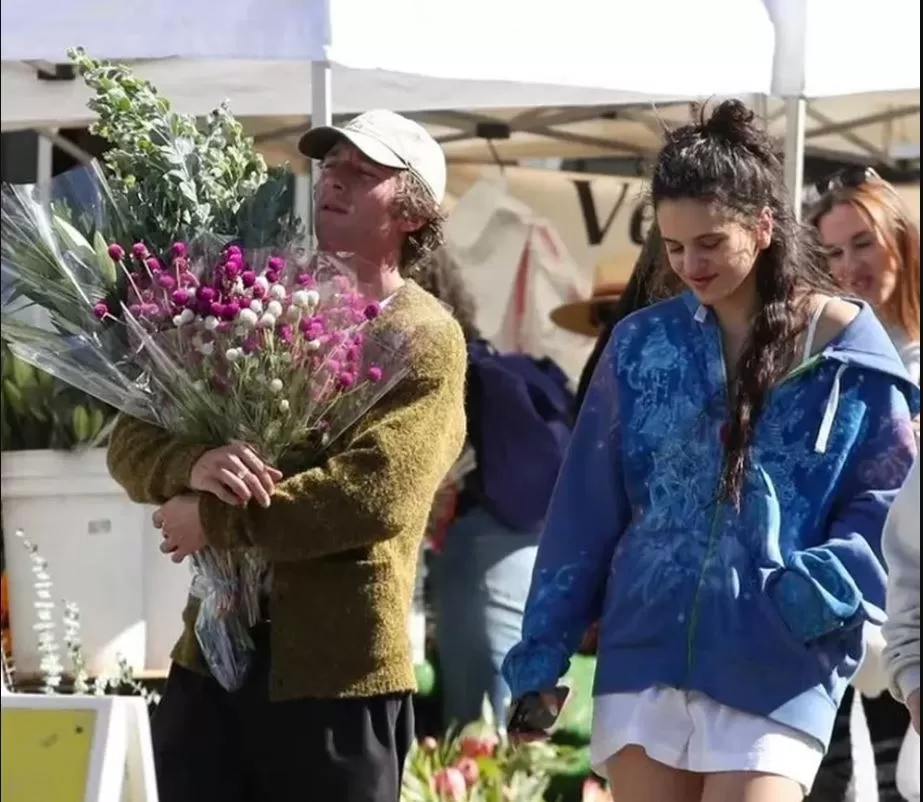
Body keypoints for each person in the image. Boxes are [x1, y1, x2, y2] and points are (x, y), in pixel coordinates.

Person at [501, 100, 920, 802]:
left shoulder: (849, 351)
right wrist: (540, 659)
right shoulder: (640, 345)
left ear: (761, 226)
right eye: (671, 246)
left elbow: (888, 505)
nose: (688, 264)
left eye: (708, 243)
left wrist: (821, 587)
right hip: (644, 652)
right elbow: (584, 511)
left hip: (780, 660)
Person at [105, 110, 467, 802]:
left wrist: (217, 521)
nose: (335, 182)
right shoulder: (256, 302)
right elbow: (128, 441)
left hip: (337, 671)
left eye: (363, 173)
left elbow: (372, 495)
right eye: (331, 168)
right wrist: (194, 461)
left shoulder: (424, 336)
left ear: (414, 212)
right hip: (212, 659)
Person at [419, 251, 575, 726]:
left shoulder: (445, 375)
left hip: (481, 563)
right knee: (510, 732)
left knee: (483, 734)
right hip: (525, 553)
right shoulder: (484, 370)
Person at [808, 169, 921, 802]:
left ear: (900, 243)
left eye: (862, 244)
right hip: (840, 604)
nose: (849, 266)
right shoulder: (821, 366)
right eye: (831, 251)